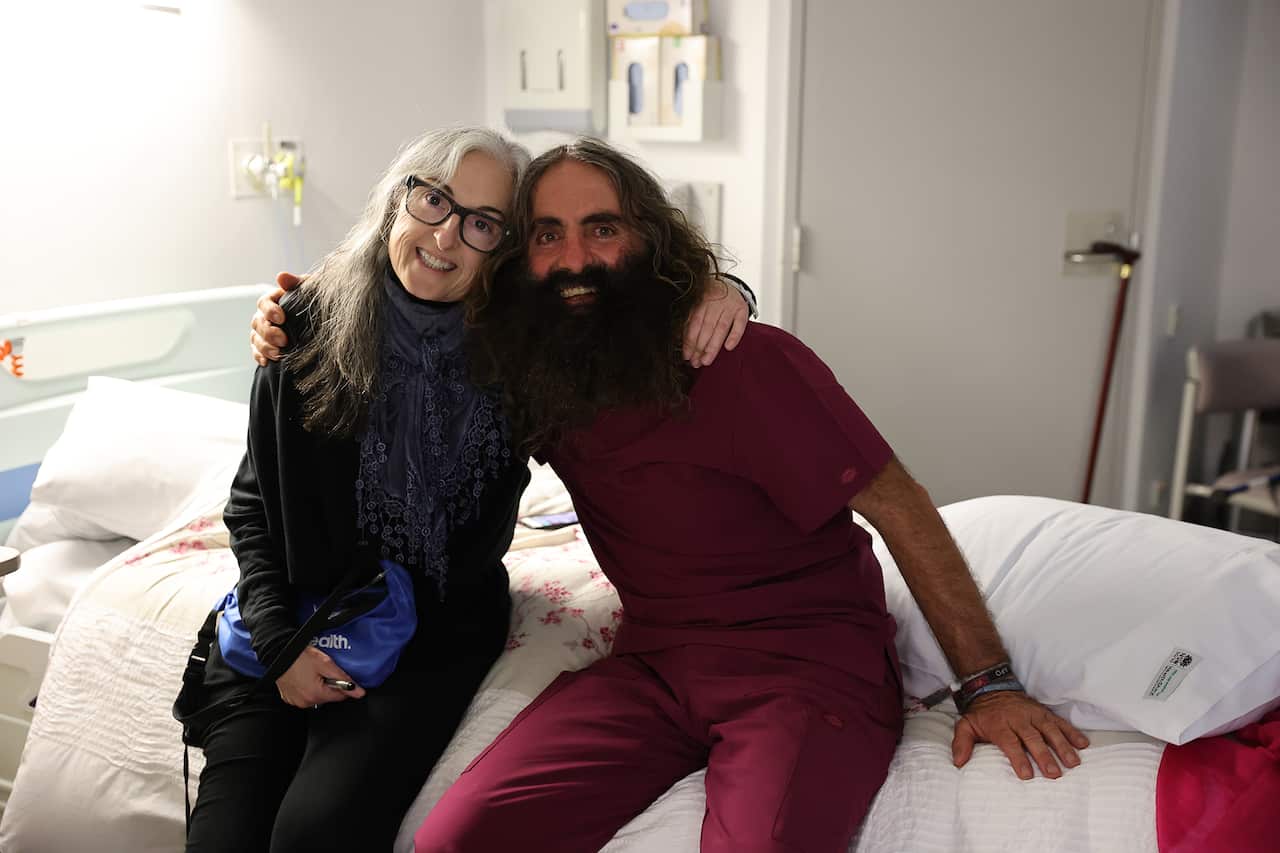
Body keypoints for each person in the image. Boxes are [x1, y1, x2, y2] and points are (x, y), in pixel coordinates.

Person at [251, 138, 1087, 853]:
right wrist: (299, 305)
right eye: (548, 234)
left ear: (648, 240)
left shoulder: (749, 363)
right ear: (521, 259)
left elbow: (900, 504)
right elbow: (408, 297)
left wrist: (989, 684)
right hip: (652, 666)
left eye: (601, 229)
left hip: (804, 669)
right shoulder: (539, 373)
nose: (574, 257)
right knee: (457, 837)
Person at [188, 125, 750, 853]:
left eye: (482, 223)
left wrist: (721, 285)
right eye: (434, 201)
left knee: (313, 835)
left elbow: (635, 311)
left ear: (503, 250)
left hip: (434, 631)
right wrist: (277, 647)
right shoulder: (305, 324)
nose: (446, 236)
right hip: (291, 613)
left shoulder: (522, 353)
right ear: (400, 201)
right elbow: (252, 502)